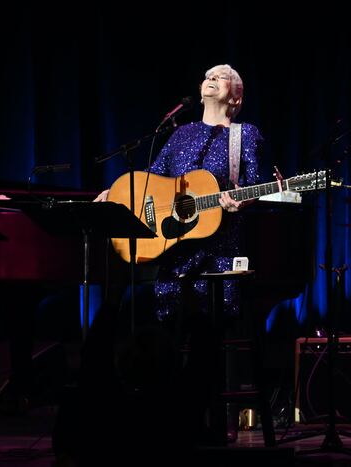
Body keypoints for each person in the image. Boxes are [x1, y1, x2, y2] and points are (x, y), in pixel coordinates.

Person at [94, 64, 262, 446]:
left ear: (235, 96)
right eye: (208, 74)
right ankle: (169, 418)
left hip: (220, 254)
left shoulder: (244, 136)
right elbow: (150, 181)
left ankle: (211, 420)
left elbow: (253, 183)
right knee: (166, 328)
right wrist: (116, 196)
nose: (211, 78)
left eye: (221, 76)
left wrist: (240, 201)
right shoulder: (179, 133)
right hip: (176, 254)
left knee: (208, 329)